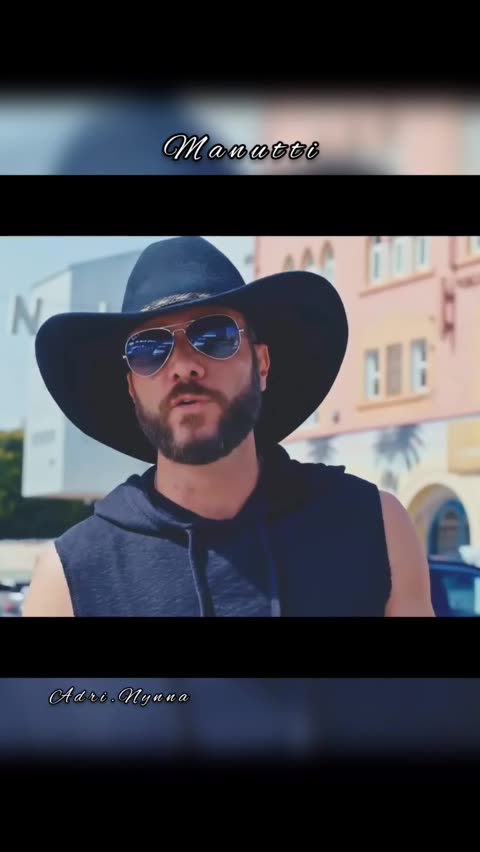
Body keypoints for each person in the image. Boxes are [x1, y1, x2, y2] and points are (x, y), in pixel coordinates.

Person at [23, 236, 435, 617]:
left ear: (262, 364)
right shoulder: (70, 580)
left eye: (214, 335)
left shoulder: (375, 527)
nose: (183, 366)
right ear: (132, 387)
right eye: (150, 349)